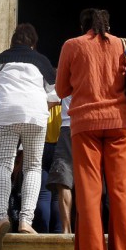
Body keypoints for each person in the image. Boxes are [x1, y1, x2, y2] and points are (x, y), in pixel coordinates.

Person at [54, 8, 126, 250]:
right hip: (120, 123)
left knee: (89, 195)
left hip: (85, 124)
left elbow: (60, 90)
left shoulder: (72, 45)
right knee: (122, 194)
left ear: (83, 25)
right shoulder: (123, 45)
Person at [0, 23, 55, 250]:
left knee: (2, 165)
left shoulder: (1, 60)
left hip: (5, 113)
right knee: (33, 167)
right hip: (35, 116)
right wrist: (41, 100)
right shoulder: (40, 62)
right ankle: (26, 220)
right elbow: (58, 91)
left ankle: (0, 218)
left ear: (12, 42)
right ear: (33, 43)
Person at [46, 94, 74, 234]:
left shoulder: (68, 72)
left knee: (63, 180)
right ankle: (89, 228)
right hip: (91, 126)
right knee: (90, 180)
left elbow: (55, 95)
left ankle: (66, 230)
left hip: (68, 127)